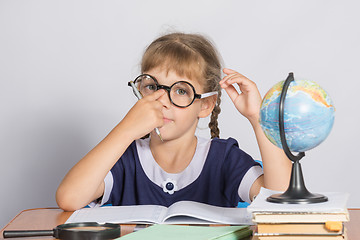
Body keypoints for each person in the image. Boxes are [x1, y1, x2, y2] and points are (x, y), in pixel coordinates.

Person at [56, 32, 292, 211]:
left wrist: (259, 119)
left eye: (180, 91)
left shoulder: (223, 158)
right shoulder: (125, 158)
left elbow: (280, 201)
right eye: (152, 87)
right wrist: (126, 129)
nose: (162, 101)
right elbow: (69, 198)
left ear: (206, 105)